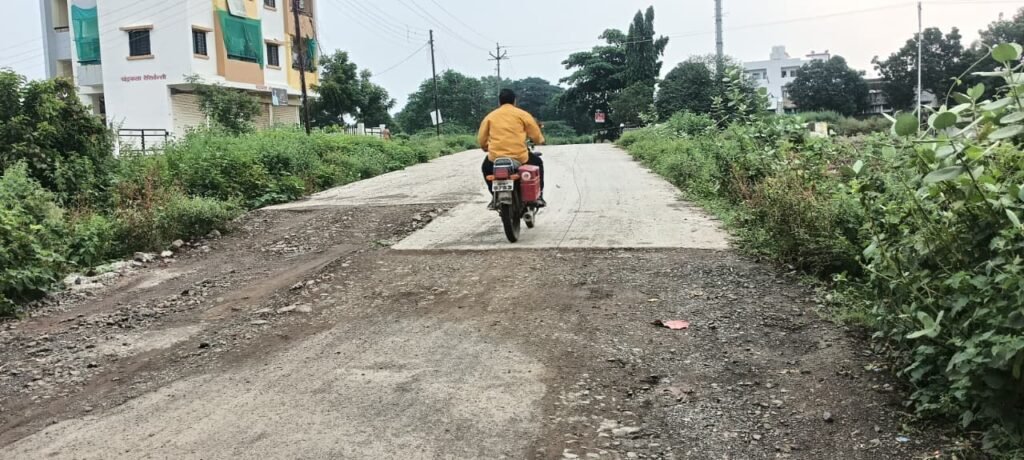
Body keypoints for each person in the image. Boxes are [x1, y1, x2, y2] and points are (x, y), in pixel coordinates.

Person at [478, 89, 546, 210]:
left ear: (499, 102)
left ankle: (494, 196)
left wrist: (485, 147)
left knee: (485, 168)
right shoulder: (523, 114)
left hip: (495, 158)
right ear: (514, 101)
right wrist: (539, 141)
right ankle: (539, 196)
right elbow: (535, 134)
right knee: (538, 163)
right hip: (520, 156)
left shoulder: (490, 116)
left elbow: (482, 138)